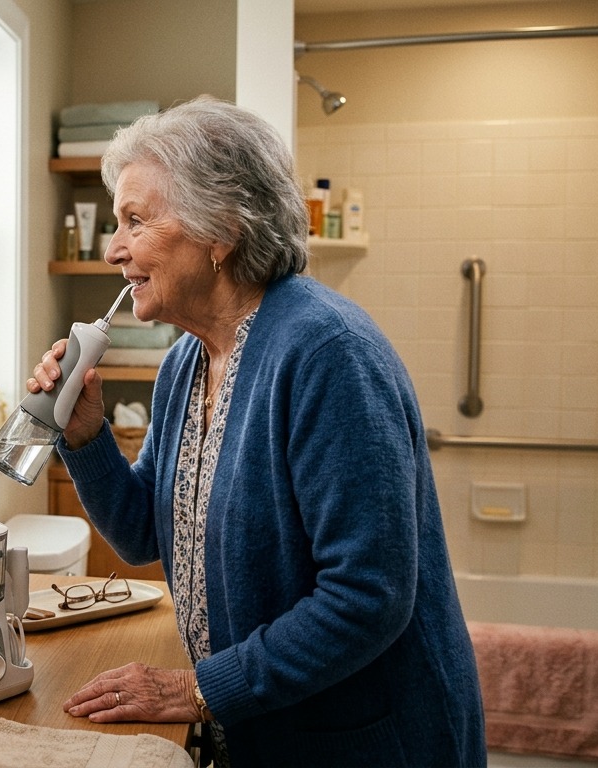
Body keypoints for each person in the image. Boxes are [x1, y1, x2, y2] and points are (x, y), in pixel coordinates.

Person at [36, 97, 486, 766]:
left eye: (135, 220)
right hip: (270, 729)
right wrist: (87, 435)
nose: (113, 250)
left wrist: (198, 691)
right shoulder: (186, 361)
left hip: (370, 742)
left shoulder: (329, 354)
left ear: (220, 230)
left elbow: (369, 596)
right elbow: (141, 536)